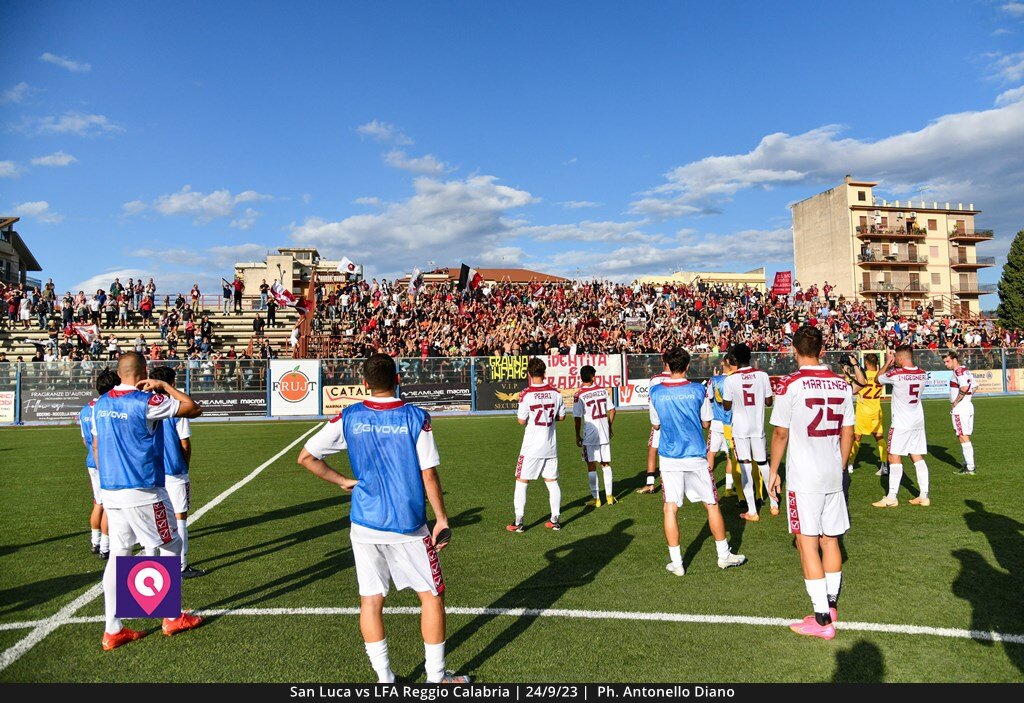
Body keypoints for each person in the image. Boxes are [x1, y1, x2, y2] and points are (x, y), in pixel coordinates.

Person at [297, 353, 468, 683]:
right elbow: (429, 474)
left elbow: (306, 457)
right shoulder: (416, 417)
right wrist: (442, 518)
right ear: (398, 379)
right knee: (432, 596)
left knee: (371, 601)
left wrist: (343, 481)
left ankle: (385, 679)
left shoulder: (348, 416)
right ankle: (435, 678)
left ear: (364, 384)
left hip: (364, 523)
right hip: (407, 525)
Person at [91, 351, 204, 650]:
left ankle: (113, 628)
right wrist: (163, 386)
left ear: (118, 373)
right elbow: (194, 408)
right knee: (172, 544)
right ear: (143, 372)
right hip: (142, 489)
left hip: (112, 490)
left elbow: (99, 444)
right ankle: (170, 615)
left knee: (120, 554)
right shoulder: (145, 401)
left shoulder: (100, 404)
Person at [768, 325, 854, 640]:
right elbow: (848, 432)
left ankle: (821, 621)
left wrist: (772, 470)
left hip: (804, 476)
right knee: (830, 539)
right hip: (833, 471)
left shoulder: (791, 384)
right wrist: (841, 466)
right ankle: (830, 606)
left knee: (807, 542)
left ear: (794, 350)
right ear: (821, 350)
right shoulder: (842, 385)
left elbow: (780, 433)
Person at [649, 347, 746, 575]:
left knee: (670, 508)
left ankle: (677, 563)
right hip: (695, 455)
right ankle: (723, 555)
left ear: (666, 363)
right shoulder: (697, 390)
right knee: (711, 504)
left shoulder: (656, 392)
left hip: (670, 457)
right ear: (687, 365)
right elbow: (706, 423)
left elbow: (656, 424)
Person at [149, 365, 205, 578]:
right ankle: (181, 565)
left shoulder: (143, 405)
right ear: (171, 384)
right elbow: (185, 443)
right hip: (174, 469)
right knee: (180, 518)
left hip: (151, 471)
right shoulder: (176, 407)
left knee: (153, 520)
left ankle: (150, 563)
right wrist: (185, 465)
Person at [507, 357, 566, 533]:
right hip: (550, 445)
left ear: (529, 374)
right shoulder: (556, 393)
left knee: (521, 482)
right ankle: (555, 520)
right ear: (544, 373)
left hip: (531, 447)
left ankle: (519, 522)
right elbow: (562, 417)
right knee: (552, 482)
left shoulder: (526, 394)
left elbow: (520, 420)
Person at [872, 345, 932, 508]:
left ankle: (891, 496)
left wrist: (887, 363)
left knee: (893, 455)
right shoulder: (922, 374)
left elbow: (877, 379)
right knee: (917, 456)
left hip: (901, 422)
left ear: (899, 358)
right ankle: (924, 495)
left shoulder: (896, 374)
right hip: (917, 421)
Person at [722, 343, 776, 520]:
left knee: (745, 467)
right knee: (763, 465)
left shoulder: (730, 379)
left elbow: (727, 405)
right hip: (757, 427)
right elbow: (769, 402)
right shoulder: (762, 375)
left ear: (733, 359)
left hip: (740, 429)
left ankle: (752, 511)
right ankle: (774, 504)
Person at [80, 368, 119, 559]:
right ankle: (105, 545)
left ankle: (95, 541)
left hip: (91, 461)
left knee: (98, 502)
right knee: (111, 505)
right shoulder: (109, 407)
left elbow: (85, 440)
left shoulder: (85, 409)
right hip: (108, 463)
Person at [573, 365, 616, 507]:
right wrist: (609, 426)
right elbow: (612, 410)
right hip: (603, 432)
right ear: (592, 377)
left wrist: (577, 435)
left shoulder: (579, 395)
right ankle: (609, 496)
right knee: (605, 464)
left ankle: (596, 499)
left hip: (590, 434)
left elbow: (577, 417)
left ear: (581, 377)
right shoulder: (602, 390)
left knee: (591, 465)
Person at [842, 353, 888, 476]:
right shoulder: (881, 376)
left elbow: (851, 387)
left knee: (856, 438)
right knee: (880, 438)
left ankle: (850, 464)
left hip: (863, 413)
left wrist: (846, 372)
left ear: (866, 363)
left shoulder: (863, 376)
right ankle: (884, 465)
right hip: (876, 412)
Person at [637, 352, 670, 495]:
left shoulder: (655, 379)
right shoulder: (680, 378)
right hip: (674, 421)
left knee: (653, 449)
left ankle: (650, 484)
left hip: (660, 420)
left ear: (663, 361)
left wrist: (655, 421)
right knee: (670, 451)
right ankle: (667, 483)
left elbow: (651, 402)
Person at [706, 361, 739, 497]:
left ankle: (708, 486)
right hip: (730, 423)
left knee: (711, 453)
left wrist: (714, 379)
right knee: (730, 456)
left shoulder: (714, 380)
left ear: (723, 365)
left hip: (716, 422)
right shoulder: (735, 380)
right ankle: (728, 488)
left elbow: (709, 398)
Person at [944, 350, 978, 475]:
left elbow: (964, 387)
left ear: (954, 360)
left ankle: (970, 467)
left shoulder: (958, 372)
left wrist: (956, 402)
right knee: (964, 435)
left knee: (962, 436)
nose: (945, 364)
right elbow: (974, 386)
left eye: (947, 361)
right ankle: (968, 464)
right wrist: (968, 398)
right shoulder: (965, 370)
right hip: (968, 405)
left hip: (961, 408)